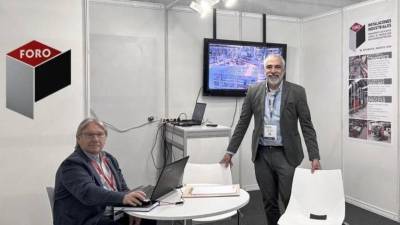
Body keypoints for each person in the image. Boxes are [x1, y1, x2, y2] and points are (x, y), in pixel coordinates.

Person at [220, 54, 321, 225]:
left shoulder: (297, 92)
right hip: (262, 155)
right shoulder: (253, 91)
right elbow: (242, 124)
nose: (273, 71)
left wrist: (315, 156)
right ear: (264, 69)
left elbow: (307, 125)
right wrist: (230, 152)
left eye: (277, 67)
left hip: (286, 154)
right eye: (269, 67)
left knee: (290, 199)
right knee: (268, 201)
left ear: (283, 70)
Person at [53, 118, 156, 225]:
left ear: (105, 138)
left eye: (100, 134)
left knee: (147, 219)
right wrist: (123, 198)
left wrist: (133, 209)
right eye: (89, 135)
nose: (95, 139)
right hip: (87, 219)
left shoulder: (109, 158)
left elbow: (123, 188)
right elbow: (88, 192)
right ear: (78, 138)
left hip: (112, 213)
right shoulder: (72, 164)